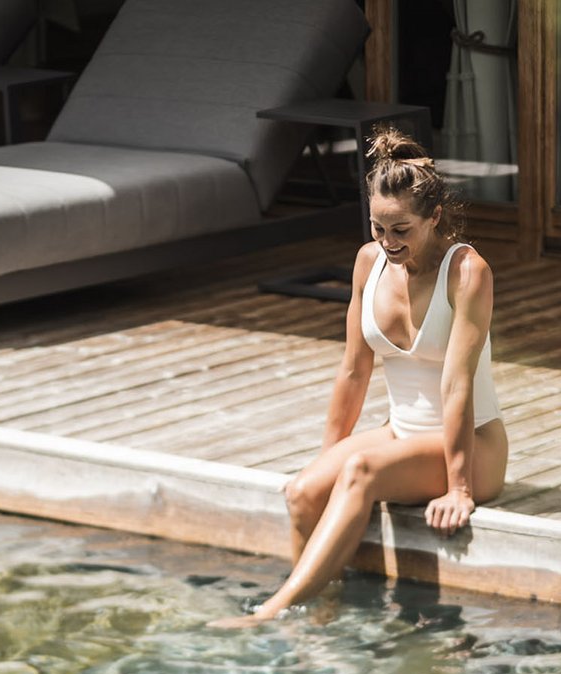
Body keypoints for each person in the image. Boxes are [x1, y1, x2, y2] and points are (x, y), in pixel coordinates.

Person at [211, 127, 507, 628]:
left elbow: (457, 384)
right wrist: (328, 456)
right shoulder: (368, 263)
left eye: (401, 230)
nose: (388, 242)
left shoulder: (467, 272)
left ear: (434, 217)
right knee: (303, 491)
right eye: (378, 228)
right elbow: (353, 370)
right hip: (401, 435)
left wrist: (459, 488)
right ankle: (324, 614)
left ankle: (276, 610)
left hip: (473, 448)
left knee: (360, 472)